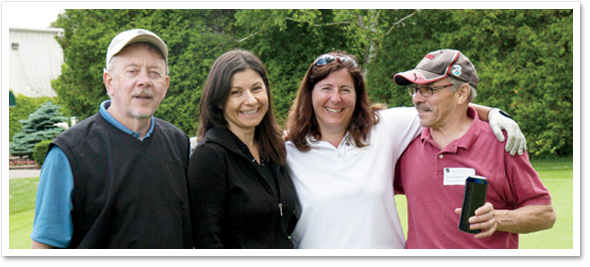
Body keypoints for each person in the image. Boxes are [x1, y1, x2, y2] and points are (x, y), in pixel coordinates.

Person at [284, 51, 526, 249]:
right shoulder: (287, 149)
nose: (335, 98)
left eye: (345, 90)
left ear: (358, 96)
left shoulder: (385, 128)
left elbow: (445, 107)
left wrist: (493, 113)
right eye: (326, 88)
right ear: (310, 94)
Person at [30, 29, 192, 249]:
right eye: (132, 71)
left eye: (153, 72)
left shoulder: (179, 144)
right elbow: (44, 249)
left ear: (165, 85)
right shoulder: (69, 154)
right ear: (109, 82)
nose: (144, 81)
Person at [393, 49, 555, 249]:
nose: (416, 99)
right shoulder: (406, 142)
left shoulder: (501, 142)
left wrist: (498, 219)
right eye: (415, 90)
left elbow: (545, 214)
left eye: (429, 90)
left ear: (462, 93)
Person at [187, 49, 298, 249]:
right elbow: (207, 241)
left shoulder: (273, 148)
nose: (251, 100)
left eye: (256, 88)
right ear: (220, 101)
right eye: (236, 92)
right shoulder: (210, 156)